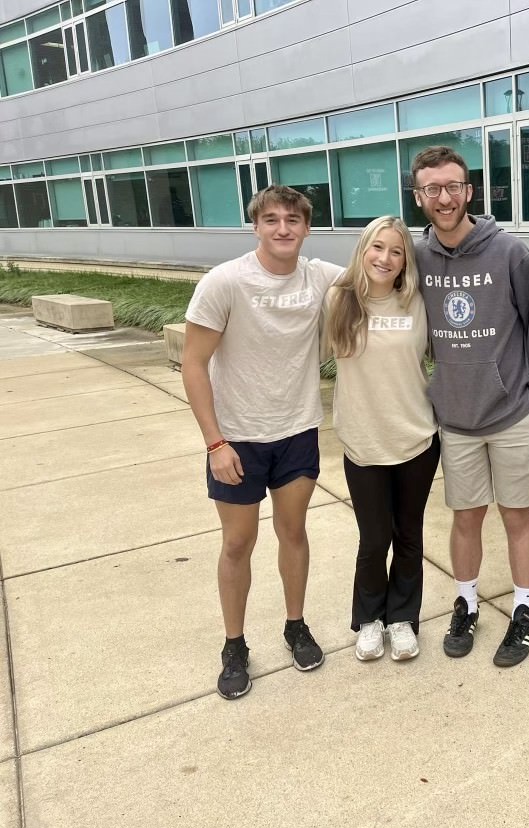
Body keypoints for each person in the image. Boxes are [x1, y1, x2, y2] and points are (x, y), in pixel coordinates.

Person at [181, 185, 344, 700]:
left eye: (292, 220)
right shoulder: (225, 282)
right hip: (238, 440)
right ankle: (234, 645)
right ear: (255, 226)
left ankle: (295, 625)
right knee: (237, 544)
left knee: (293, 533)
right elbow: (192, 363)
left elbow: (379, 276)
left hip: (296, 431)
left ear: (306, 228)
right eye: (270, 219)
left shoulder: (319, 277)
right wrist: (214, 443)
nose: (282, 229)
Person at [411, 146, 529, 668]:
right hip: (455, 418)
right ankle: (467, 604)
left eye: (453, 186)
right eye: (433, 189)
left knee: (518, 516)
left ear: (469, 191)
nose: (444, 197)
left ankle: (524, 613)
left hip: (513, 413)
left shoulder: (511, 253)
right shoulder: (417, 258)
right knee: (465, 518)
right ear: (419, 197)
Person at [324, 217, 439, 663]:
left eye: (396, 251)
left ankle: (402, 620)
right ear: (363, 249)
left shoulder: (416, 302)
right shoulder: (338, 299)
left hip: (415, 437)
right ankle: (369, 620)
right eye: (378, 247)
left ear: (405, 260)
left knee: (409, 535)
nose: (385, 258)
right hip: (363, 440)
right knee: (373, 539)